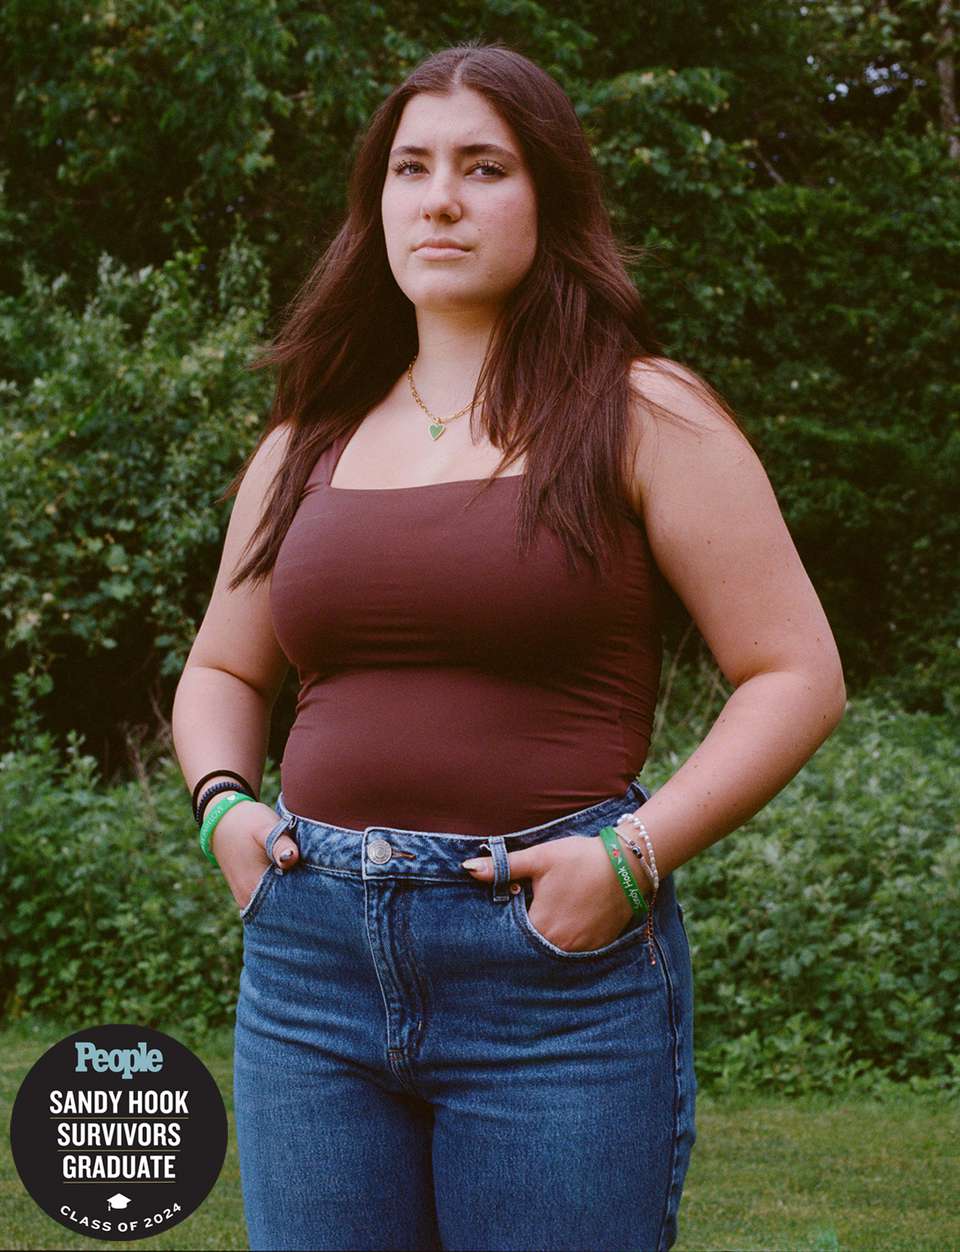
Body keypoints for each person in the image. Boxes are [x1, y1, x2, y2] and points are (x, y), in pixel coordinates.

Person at [171, 40, 845, 1252]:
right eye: (411, 167)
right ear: (375, 202)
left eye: (485, 167)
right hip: (309, 965)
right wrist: (225, 810)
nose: (440, 197)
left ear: (552, 198)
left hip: (553, 980)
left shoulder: (643, 413)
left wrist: (630, 857)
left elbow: (796, 672)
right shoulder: (304, 441)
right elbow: (222, 668)